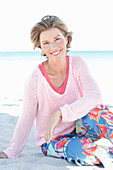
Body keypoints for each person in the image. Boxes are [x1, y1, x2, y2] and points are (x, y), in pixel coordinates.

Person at [0, 15, 113, 169]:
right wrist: (12, 152)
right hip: (53, 139)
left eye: (57, 39)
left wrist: (60, 113)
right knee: (81, 151)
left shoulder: (77, 63)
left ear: (66, 39)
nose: (53, 47)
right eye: (46, 43)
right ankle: (104, 153)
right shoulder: (35, 79)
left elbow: (95, 96)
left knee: (100, 113)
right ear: (40, 47)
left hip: (81, 126)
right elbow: (26, 118)